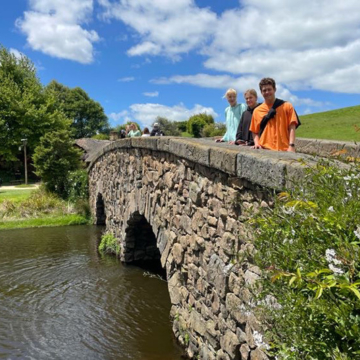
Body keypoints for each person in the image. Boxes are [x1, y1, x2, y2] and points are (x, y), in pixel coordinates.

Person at [250, 78, 299, 152]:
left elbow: (292, 126)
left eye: (269, 89)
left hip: (284, 149)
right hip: (264, 149)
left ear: (274, 89)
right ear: (261, 92)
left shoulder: (287, 106)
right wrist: (257, 143)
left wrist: (291, 145)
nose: (267, 92)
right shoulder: (257, 111)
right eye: (264, 90)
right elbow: (254, 131)